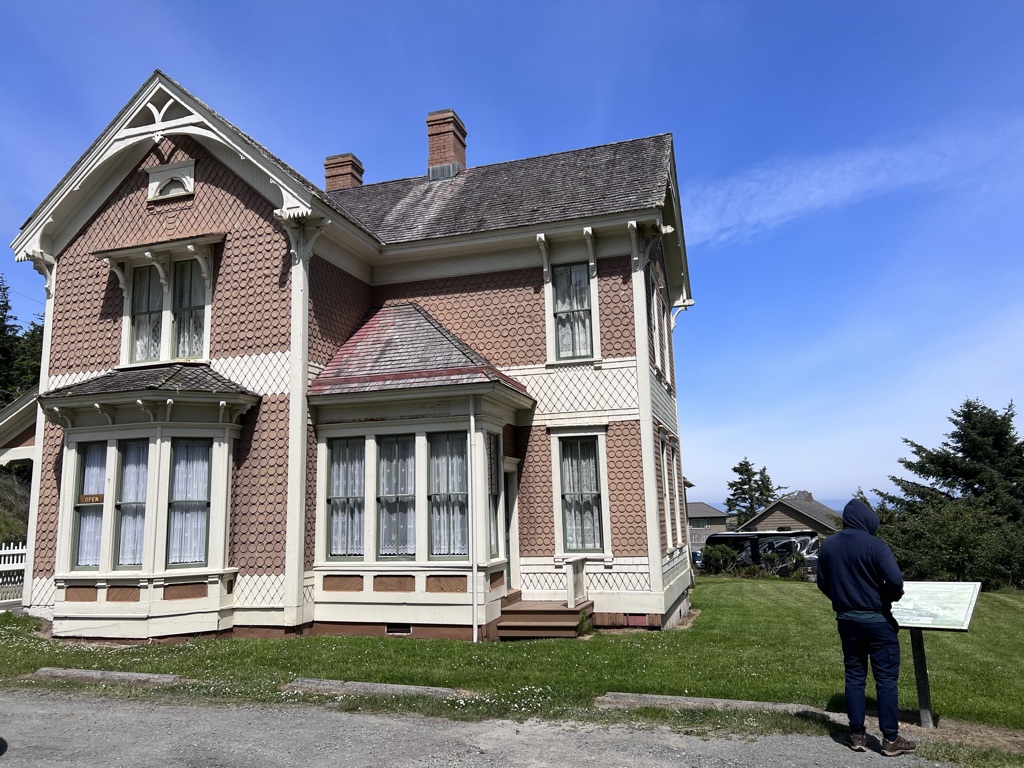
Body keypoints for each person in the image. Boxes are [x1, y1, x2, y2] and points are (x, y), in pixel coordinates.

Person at [816, 498, 917, 757]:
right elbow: (895, 580)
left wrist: (841, 599)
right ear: (867, 520)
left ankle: (857, 735)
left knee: (854, 676)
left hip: (847, 620)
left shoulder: (828, 546)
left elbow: (822, 582)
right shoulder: (876, 545)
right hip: (877, 621)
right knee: (885, 679)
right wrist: (887, 597)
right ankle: (890, 739)